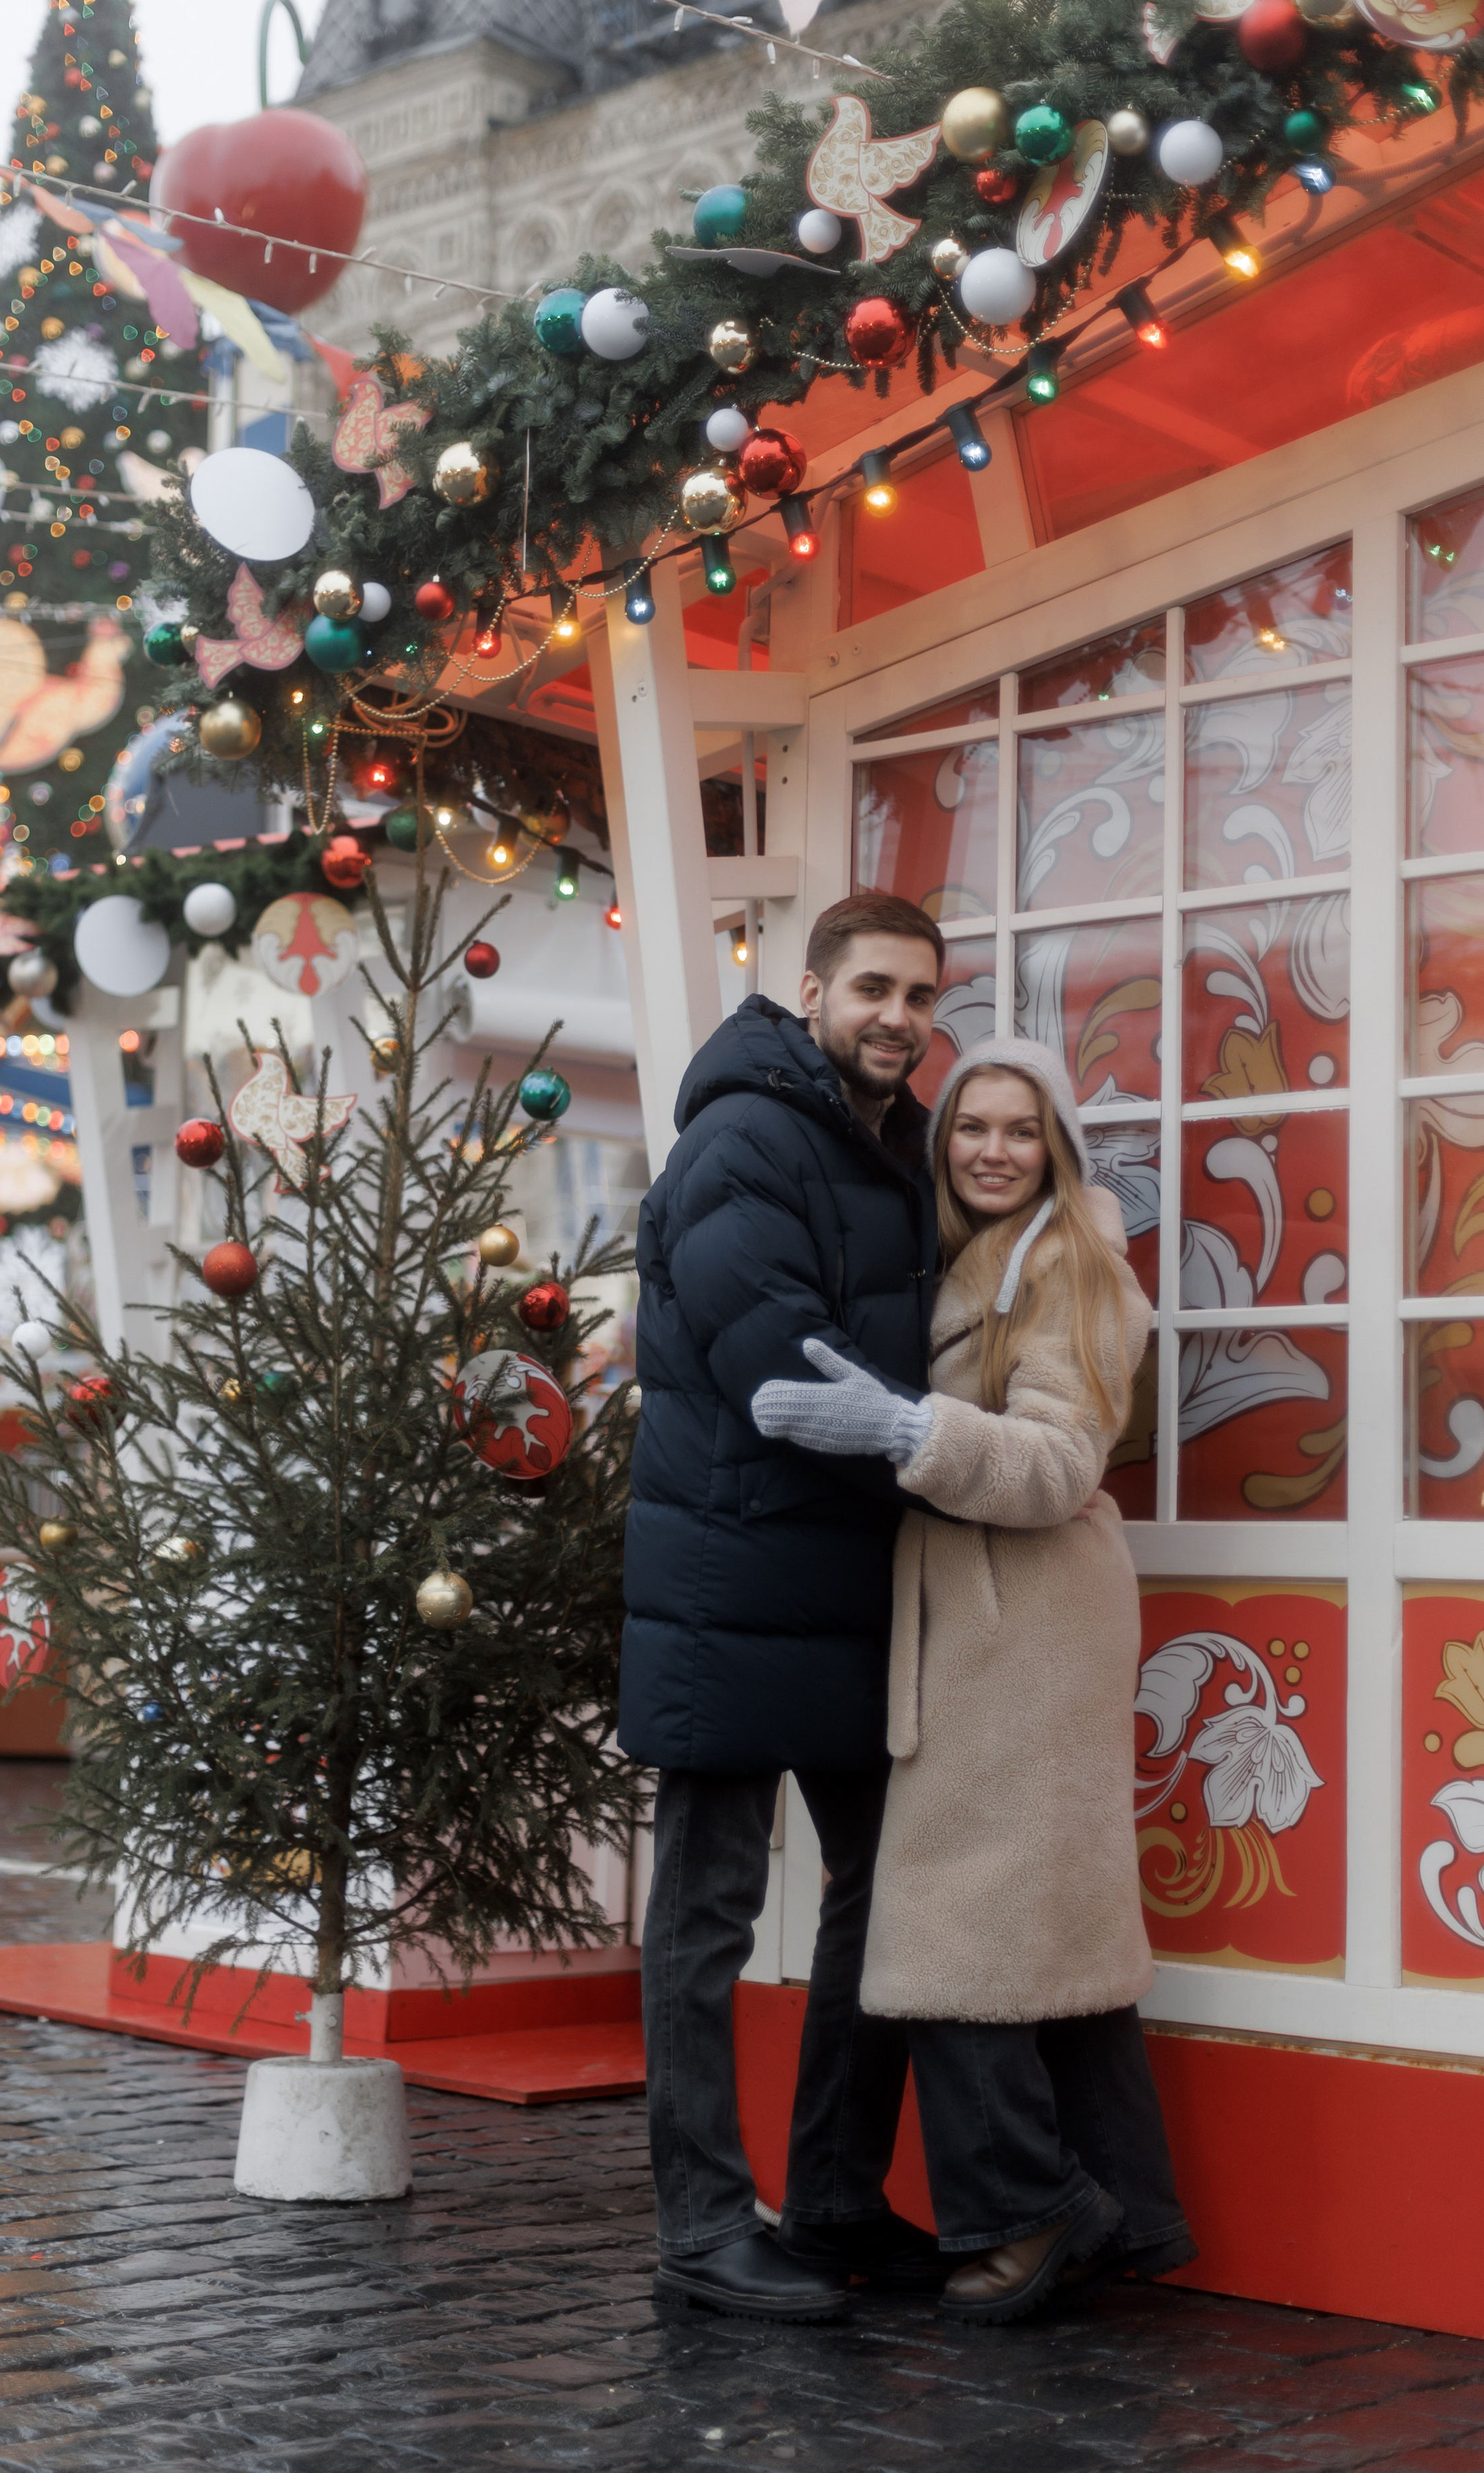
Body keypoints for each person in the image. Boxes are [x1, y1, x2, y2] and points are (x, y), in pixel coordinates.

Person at [752, 1035, 1194, 2326]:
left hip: (1026, 1631)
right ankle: (1132, 2209)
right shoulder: (977, 1263)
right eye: (969, 1130)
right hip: (998, 1628)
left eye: (1017, 1130)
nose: (990, 1149)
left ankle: (1028, 2210)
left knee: (957, 1928)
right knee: (1048, 1933)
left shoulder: (1070, 1268)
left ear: (1052, 1144)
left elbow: (1059, 1465)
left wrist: (905, 1429)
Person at [623, 892, 948, 2320]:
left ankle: (828, 2198)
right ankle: (700, 2224)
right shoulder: (741, 1138)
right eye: (872, 986)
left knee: (882, 1898)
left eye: (920, 995)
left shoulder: (889, 1142)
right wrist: (950, 1450)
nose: (897, 1016)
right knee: (706, 1913)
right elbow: (784, 1365)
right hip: (728, 1575)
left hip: (844, 1577)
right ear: (807, 989)